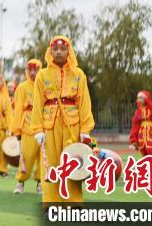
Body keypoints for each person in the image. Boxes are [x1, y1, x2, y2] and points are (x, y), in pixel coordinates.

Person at [30, 35, 95, 203]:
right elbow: (37, 103)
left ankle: (74, 203)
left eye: (63, 49)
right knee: (50, 166)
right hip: (49, 126)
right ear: (50, 51)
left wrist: (85, 130)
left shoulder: (79, 74)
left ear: (69, 51)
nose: (59, 52)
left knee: (73, 163)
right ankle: (51, 204)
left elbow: (84, 103)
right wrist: (38, 129)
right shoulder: (42, 75)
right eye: (55, 49)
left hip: (72, 125)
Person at [11, 59, 42, 194]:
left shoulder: (46, 85)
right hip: (27, 127)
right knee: (27, 156)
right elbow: (18, 109)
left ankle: (41, 183)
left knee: (43, 158)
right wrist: (17, 129)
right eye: (30, 70)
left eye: (35, 70)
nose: (33, 72)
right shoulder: (22, 88)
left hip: (44, 126)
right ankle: (21, 182)